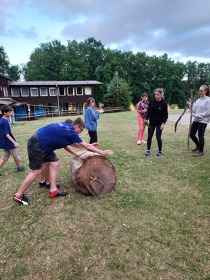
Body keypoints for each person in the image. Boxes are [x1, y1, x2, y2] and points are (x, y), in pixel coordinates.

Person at [13, 117, 113, 205]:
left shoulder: (67, 127)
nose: (81, 132)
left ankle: (53, 190)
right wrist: (102, 152)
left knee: (55, 163)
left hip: (44, 145)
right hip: (37, 144)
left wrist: (87, 147)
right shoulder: (71, 131)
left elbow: (67, 144)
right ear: (76, 126)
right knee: (36, 171)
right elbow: (83, 145)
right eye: (81, 130)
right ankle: (18, 195)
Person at [0, 105, 25, 173]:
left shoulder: (2, 120)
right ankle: (19, 168)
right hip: (9, 142)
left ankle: (19, 168)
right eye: (9, 112)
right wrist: (14, 142)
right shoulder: (4, 122)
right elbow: (6, 134)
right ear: (5, 113)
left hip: (5, 142)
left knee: (5, 156)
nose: (11, 113)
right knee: (16, 155)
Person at [145, 88, 168, 156]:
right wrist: (146, 119)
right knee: (149, 136)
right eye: (155, 94)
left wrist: (163, 123)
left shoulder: (164, 103)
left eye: (157, 94)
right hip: (151, 122)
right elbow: (148, 112)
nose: (156, 96)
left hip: (159, 123)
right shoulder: (151, 102)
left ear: (161, 95)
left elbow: (165, 115)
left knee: (158, 136)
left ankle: (160, 151)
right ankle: (148, 150)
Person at [190, 84, 210, 157]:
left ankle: (201, 152)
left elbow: (207, 113)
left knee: (200, 136)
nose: (200, 92)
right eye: (199, 91)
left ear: (206, 91)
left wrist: (196, 115)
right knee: (191, 134)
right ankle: (198, 146)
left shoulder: (208, 100)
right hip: (196, 119)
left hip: (203, 120)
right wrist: (191, 105)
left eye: (201, 91)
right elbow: (195, 109)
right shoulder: (198, 100)